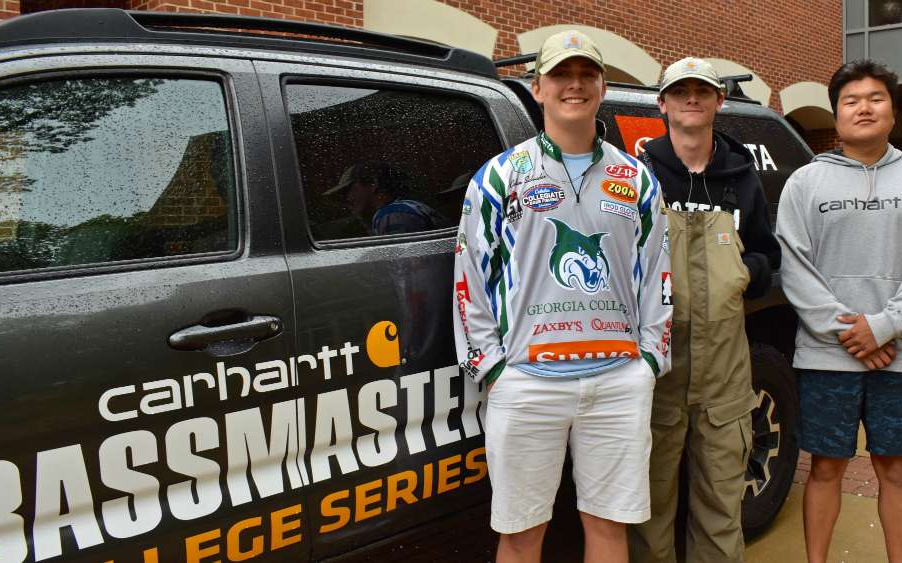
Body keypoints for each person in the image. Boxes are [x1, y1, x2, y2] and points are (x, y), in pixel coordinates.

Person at [452, 30, 671, 563]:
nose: (575, 84)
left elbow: (658, 275)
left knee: (608, 527)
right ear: (537, 88)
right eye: (560, 75)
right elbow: (469, 276)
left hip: (617, 381)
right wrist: (492, 368)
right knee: (520, 534)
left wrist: (648, 361)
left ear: (602, 87)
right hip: (527, 382)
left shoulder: (636, 178)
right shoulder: (501, 176)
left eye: (586, 74)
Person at [775, 59, 902, 563]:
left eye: (875, 98)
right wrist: (851, 333)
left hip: (901, 355)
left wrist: (884, 327)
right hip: (826, 357)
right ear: (836, 114)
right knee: (824, 468)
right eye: (851, 100)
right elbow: (794, 266)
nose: (864, 108)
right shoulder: (805, 183)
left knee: (896, 469)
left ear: (893, 112)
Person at [628, 56, 780, 563]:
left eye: (702, 91)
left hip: (724, 373)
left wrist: (742, 273)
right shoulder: (640, 176)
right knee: (648, 507)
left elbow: (766, 253)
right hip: (658, 370)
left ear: (719, 101)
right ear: (662, 103)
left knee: (721, 504)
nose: (691, 98)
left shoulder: (742, 177)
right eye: (680, 90)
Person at [325, 160, 442, 235]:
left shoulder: (392, 215)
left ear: (373, 183)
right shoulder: (405, 209)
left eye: (347, 191)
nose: (346, 200)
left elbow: (408, 265)